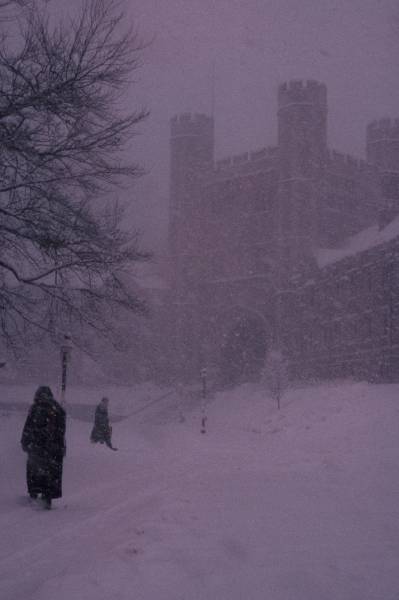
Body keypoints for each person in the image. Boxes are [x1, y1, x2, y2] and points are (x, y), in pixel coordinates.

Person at [21, 386, 66, 510]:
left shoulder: (35, 408)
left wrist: (25, 443)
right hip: (53, 450)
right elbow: (61, 431)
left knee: (33, 471)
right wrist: (60, 447)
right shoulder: (58, 409)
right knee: (51, 474)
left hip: (36, 447)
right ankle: (47, 497)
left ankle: (34, 493)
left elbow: (28, 427)